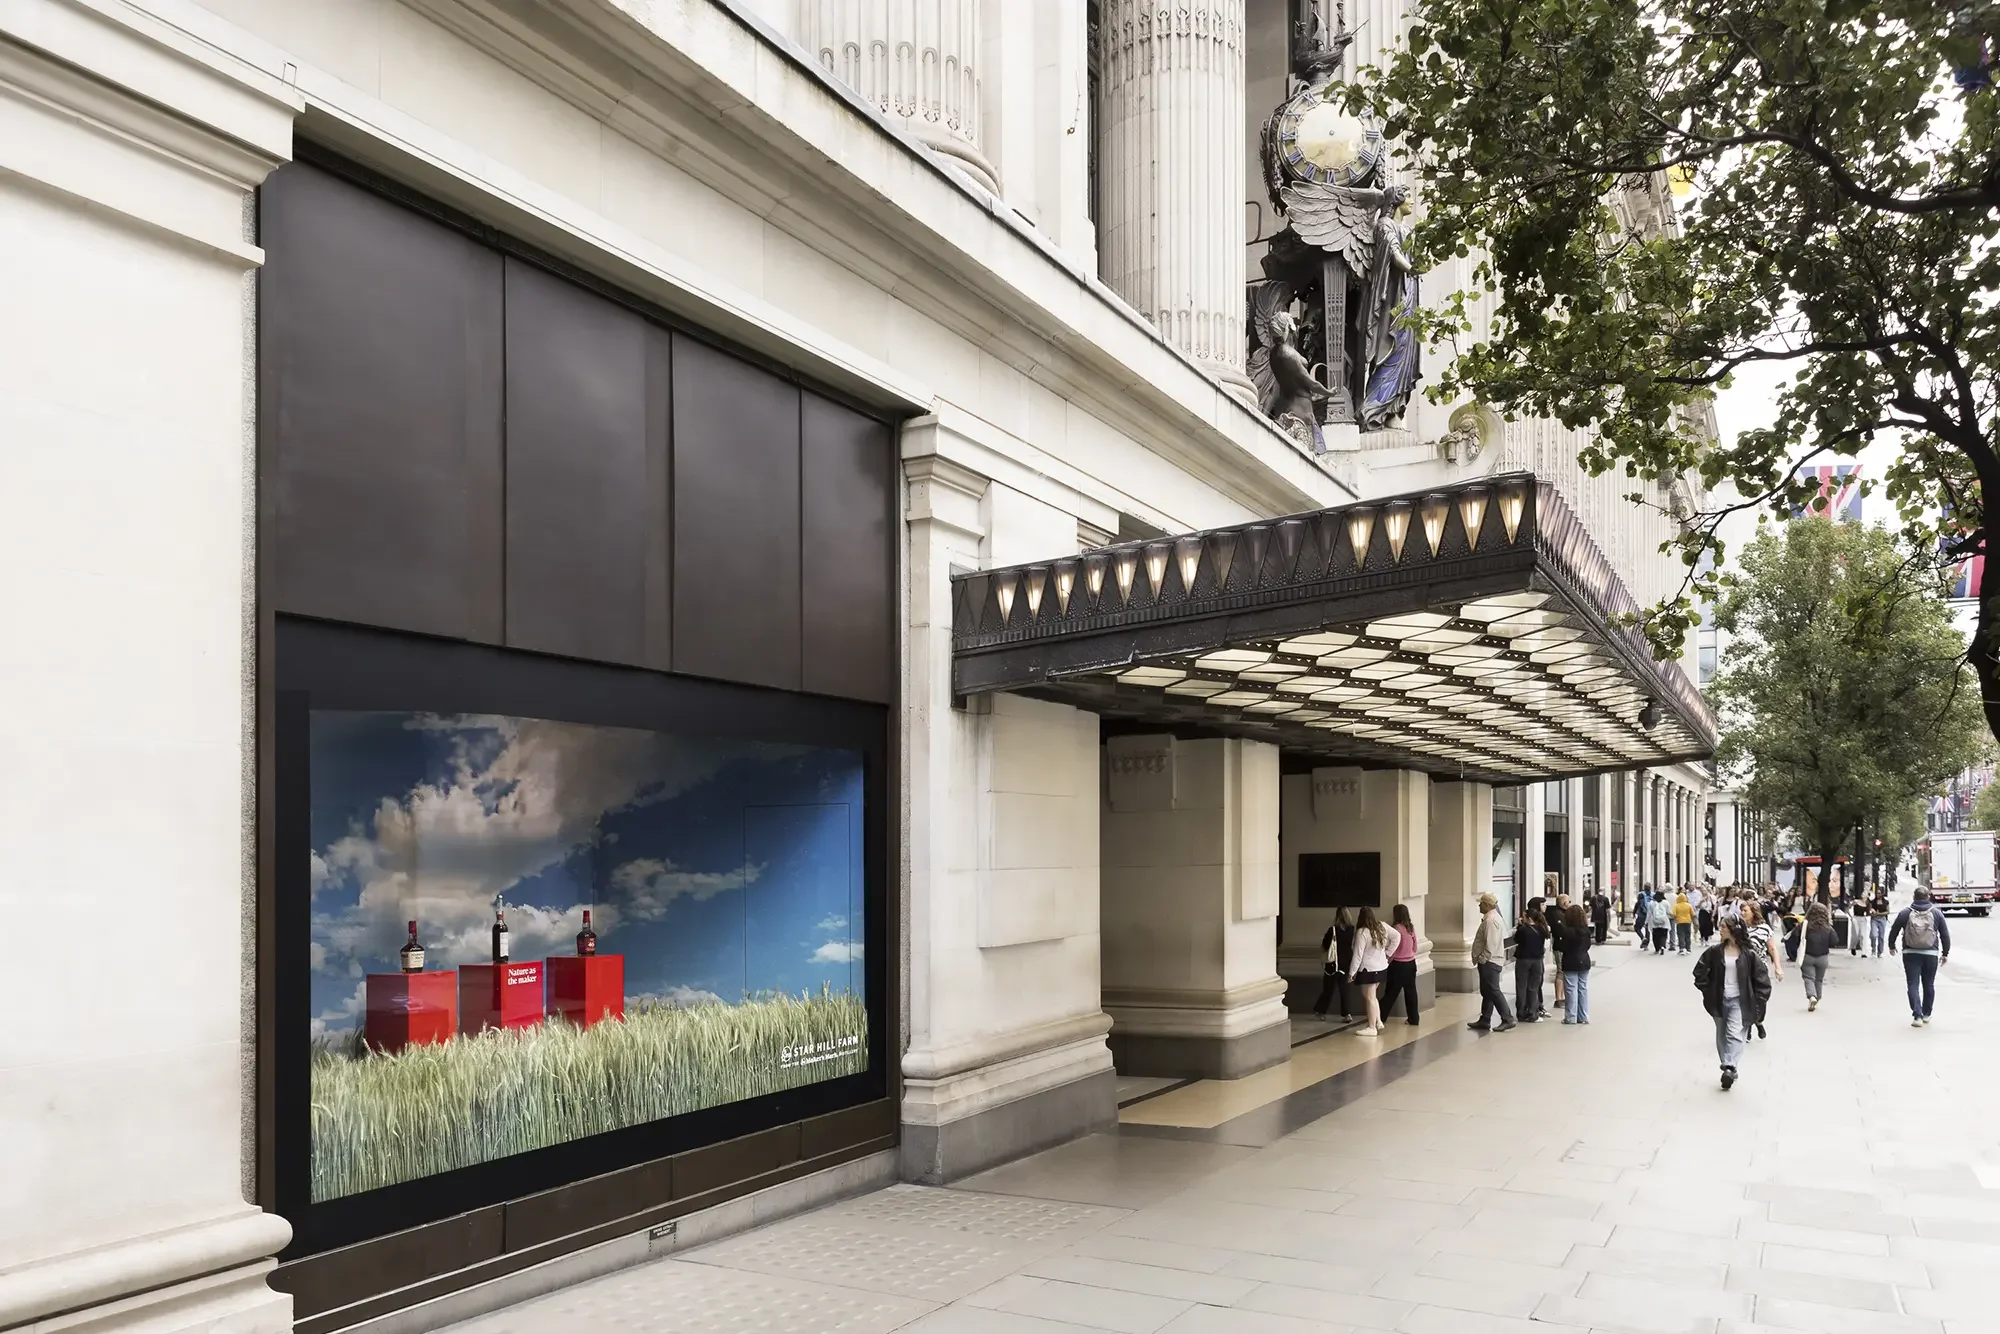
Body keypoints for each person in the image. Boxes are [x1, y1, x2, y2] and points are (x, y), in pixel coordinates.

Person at [1694, 917, 1772, 1090]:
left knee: (1734, 1033)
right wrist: (1707, 990)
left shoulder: (1748, 954)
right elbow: (1699, 971)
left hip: (1739, 999)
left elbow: (1762, 979)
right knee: (1721, 1035)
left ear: (1733, 929)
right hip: (1719, 999)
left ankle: (1729, 1066)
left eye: (1723, 926)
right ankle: (1729, 1066)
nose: (1719, 929)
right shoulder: (1715, 951)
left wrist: (1759, 1000)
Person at [1888, 886, 1952, 1027]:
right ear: (1928, 896)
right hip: (1931, 953)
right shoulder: (1936, 913)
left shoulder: (1905, 913)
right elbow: (1945, 935)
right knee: (1929, 984)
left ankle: (1917, 1016)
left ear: (1914, 897)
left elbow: (1894, 930)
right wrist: (1945, 953)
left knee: (1913, 984)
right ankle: (1927, 1014)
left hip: (1910, 953)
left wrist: (1891, 945)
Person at [1468, 892, 1517, 1032]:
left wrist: (1482, 959)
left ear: (1487, 905)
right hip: (1490, 961)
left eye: (1481, 903)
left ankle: (1507, 1018)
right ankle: (1485, 1019)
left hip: (1490, 961)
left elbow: (1491, 944)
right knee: (1488, 991)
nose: (1479, 905)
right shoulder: (1491, 918)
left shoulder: (1491, 921)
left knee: (1493, 990)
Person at [1349, 906, 1393, 1036]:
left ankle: (1372, 1027)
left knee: (1370, 997)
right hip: (1381, 967)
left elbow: (1358, 955)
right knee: (1370, 996)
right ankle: (1378, 1021)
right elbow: (1397, 937)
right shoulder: (1382, 926)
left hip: (1368, 969)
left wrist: (1352, 973)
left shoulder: (1362, 932)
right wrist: (1388, 953)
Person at [1378, 902, 1421, 1026]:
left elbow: (1392, 949)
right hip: (1411, 963)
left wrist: (1387, 961)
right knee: (1411, 992)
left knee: (1391, 993)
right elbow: (1415, 947)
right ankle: (1414, 1018)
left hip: (1398, 965)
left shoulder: (1395, 929)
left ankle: (1380, 1016)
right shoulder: (1411, 928)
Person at [1311, 909, 1349, 1019]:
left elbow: (1325, 945)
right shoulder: (1351, 930)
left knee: (1328, 989)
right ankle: (1347, 1014)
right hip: (1345, 964)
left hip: (1332, 965)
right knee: (1344, 991)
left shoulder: (1332, 930)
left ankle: (1321, 1012)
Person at [1514, 903, 1549, 1022]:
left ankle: (1521, 1012)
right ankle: (1533, 1013)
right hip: (1537, 961)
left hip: (1523, 960)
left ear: (1528, 918)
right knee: (1533, 987)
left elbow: (1516, 939)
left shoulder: (1523, 929)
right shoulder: (1542, 929)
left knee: (1521, 987)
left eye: (1524, 917)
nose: (1522, 919)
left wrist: (1519, 926)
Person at [1560, 902, 1594, 1023]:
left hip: (1570, 960)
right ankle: (1583, 1016)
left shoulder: (1567, 931)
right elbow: (1588, 946)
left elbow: (1562, 946)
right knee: (1583, 988)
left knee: (1570, 989)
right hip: (1584, 959)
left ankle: (1571, 1017)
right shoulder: (1586, 930)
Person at [1800, 901, 1836, 1011]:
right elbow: (1834, 941)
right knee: (1819, 979)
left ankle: (1812, 996)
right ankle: (1817, 997)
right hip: (1823, 957)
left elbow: (1796, 937)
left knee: (1808, 978)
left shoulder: (1805, 925)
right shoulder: (1828, 928)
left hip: (1807, 956)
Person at [1869, 888, 1891, 957]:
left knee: (1881, 936)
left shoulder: (1885, 902)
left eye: (1879, 893)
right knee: (1873, 935)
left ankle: (1880, 952)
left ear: (1882, 894)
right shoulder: (1872, 902)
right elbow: (1869, 911)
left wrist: (1879, 914)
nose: (1878, 894)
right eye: (1877, 893)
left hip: (1882, 919)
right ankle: (1873, 949)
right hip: (1874, 919)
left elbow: (1888, 911)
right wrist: (1872, 912)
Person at [1648, 892, 1671, 956]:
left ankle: (1657, 949)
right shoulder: (1666, 903)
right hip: (1664, 922)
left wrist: (1646, 922)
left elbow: (1649, 913)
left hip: (1654, 922)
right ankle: (1663, 945)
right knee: (1663, 935)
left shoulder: (1651, 903)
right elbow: (1669, 912)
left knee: (1655, 937)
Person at [1673, 890, 1695, 954]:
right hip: (1688, 922)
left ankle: (1681, 948)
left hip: (1679, 922)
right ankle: (1688, 949)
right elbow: (1693, 914)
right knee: (1688, 935)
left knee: (1681, 935)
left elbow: (1673, 914)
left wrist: (1676, 918)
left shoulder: (1676, 905)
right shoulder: (1689, 905)